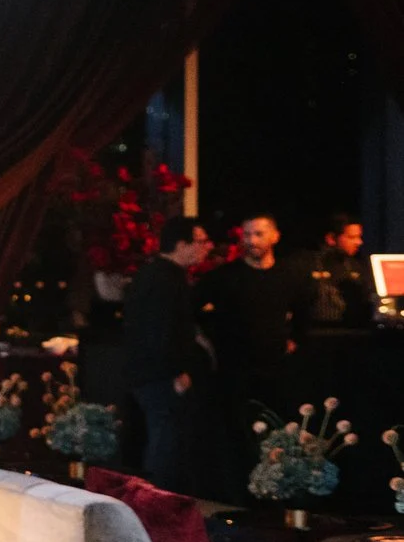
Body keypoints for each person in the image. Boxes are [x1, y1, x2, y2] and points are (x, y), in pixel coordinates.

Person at [197, 211, 314, 468]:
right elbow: (190, 309)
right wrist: (207, 341)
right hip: (234, 371)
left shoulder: (288, 275)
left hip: (275, 370)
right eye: (247, 234)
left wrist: (294, 339)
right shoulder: (224, 276)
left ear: (275, 237)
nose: (251, 240)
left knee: (275, 433)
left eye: (258, 234)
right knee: (237, 436)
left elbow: (305, 313)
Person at [121, 218, 213, 495]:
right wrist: (176, 372)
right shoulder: (165, 279)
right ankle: (157, 503)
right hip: (161, 376)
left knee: (166, 441)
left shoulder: (156, 274)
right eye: (200, 241)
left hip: (150, 374)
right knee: (166, 444)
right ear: (182, 244)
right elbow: (160, 330)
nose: (206, 248)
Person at [312, 213, 372, 327]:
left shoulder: (357, 266)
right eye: (352, 237)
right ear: (331, 238)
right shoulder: (310, 265)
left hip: (352, 332)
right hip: (317, 332)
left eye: (359, 237)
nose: (359, 242)